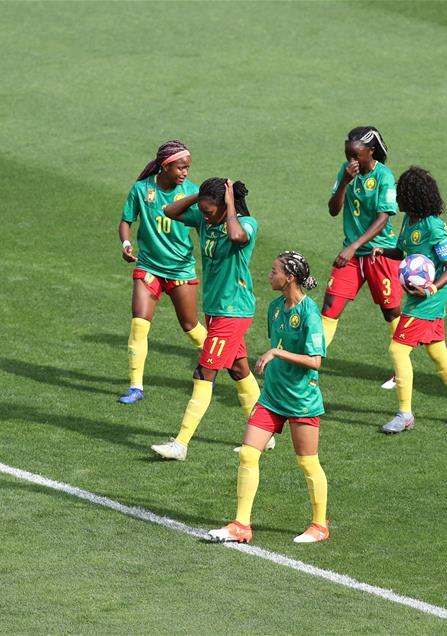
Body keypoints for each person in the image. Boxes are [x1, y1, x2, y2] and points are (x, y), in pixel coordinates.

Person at [209, 252, 329, 544]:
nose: (268, 274)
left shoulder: (310, 313)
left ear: (289, 277)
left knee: (307, 462)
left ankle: (319, 525)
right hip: (272, 397)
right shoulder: (275, 308)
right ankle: (241, 524)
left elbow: (315, 361)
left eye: (274, 270)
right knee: (249, 454)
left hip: (301, 400)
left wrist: (275, 353)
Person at [150, 179, 261, 460]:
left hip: (233, 311)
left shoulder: (246, 224)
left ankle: (181, 444)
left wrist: (231, 207)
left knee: (203, 374)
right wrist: (198, 196)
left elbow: (237, 237)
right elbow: (170, 211)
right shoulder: (204, 217)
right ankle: (264, 435)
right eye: (203, 209)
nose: (205, 215)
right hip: (216, 308)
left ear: (226, 205)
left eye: (210, 210)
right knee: (238, 370)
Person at [370, 167, 447, 433]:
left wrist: (430, 289)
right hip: (420, 295)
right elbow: (405, 251)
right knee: (437, 350)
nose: (398, 200)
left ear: (414, 197)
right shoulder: (409, 220)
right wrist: (384, 250)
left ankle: (404, 414)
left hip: (430, 297)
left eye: (402, 195)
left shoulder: (433, 226)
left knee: (397, 350)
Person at [117, 140, 208, 404]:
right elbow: (125, 221)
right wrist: (126, 243)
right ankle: (136, 386)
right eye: (181, 167)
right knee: (139, 324)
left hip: (180, 269)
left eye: (188, 168)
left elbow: (206, 224)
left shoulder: (192, 193)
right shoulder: (141, 190)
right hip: (149, 267)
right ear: (166, 166)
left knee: (190, 326)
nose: (185, 173)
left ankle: (225, 361)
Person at [322, 127, 402, 389]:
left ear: (371, 151)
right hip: (353, 255)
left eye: (355, 155)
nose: (351, 160)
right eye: (348, 154)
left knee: (391, 312)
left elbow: (383, 218)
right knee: (330, 309)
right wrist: (344, 181)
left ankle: (400, 370)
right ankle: (308, 365)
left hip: (380, 253)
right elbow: (334, 210)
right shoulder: (346, 171)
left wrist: (354, 246)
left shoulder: (384, 177)